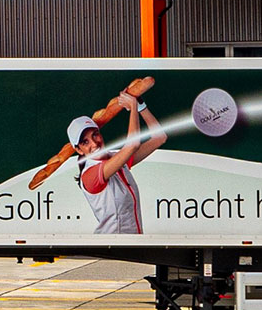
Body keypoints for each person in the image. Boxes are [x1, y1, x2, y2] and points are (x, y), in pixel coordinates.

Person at [28, 77, 166, 235]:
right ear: (79, 150)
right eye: (85, 142)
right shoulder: (91, 175)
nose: (94, 144)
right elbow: (132, 146)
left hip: (131, 245)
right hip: (113, 248)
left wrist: (141, 106)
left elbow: (159, 138)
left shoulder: (116, 159)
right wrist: (133, 109)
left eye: (95, 135)